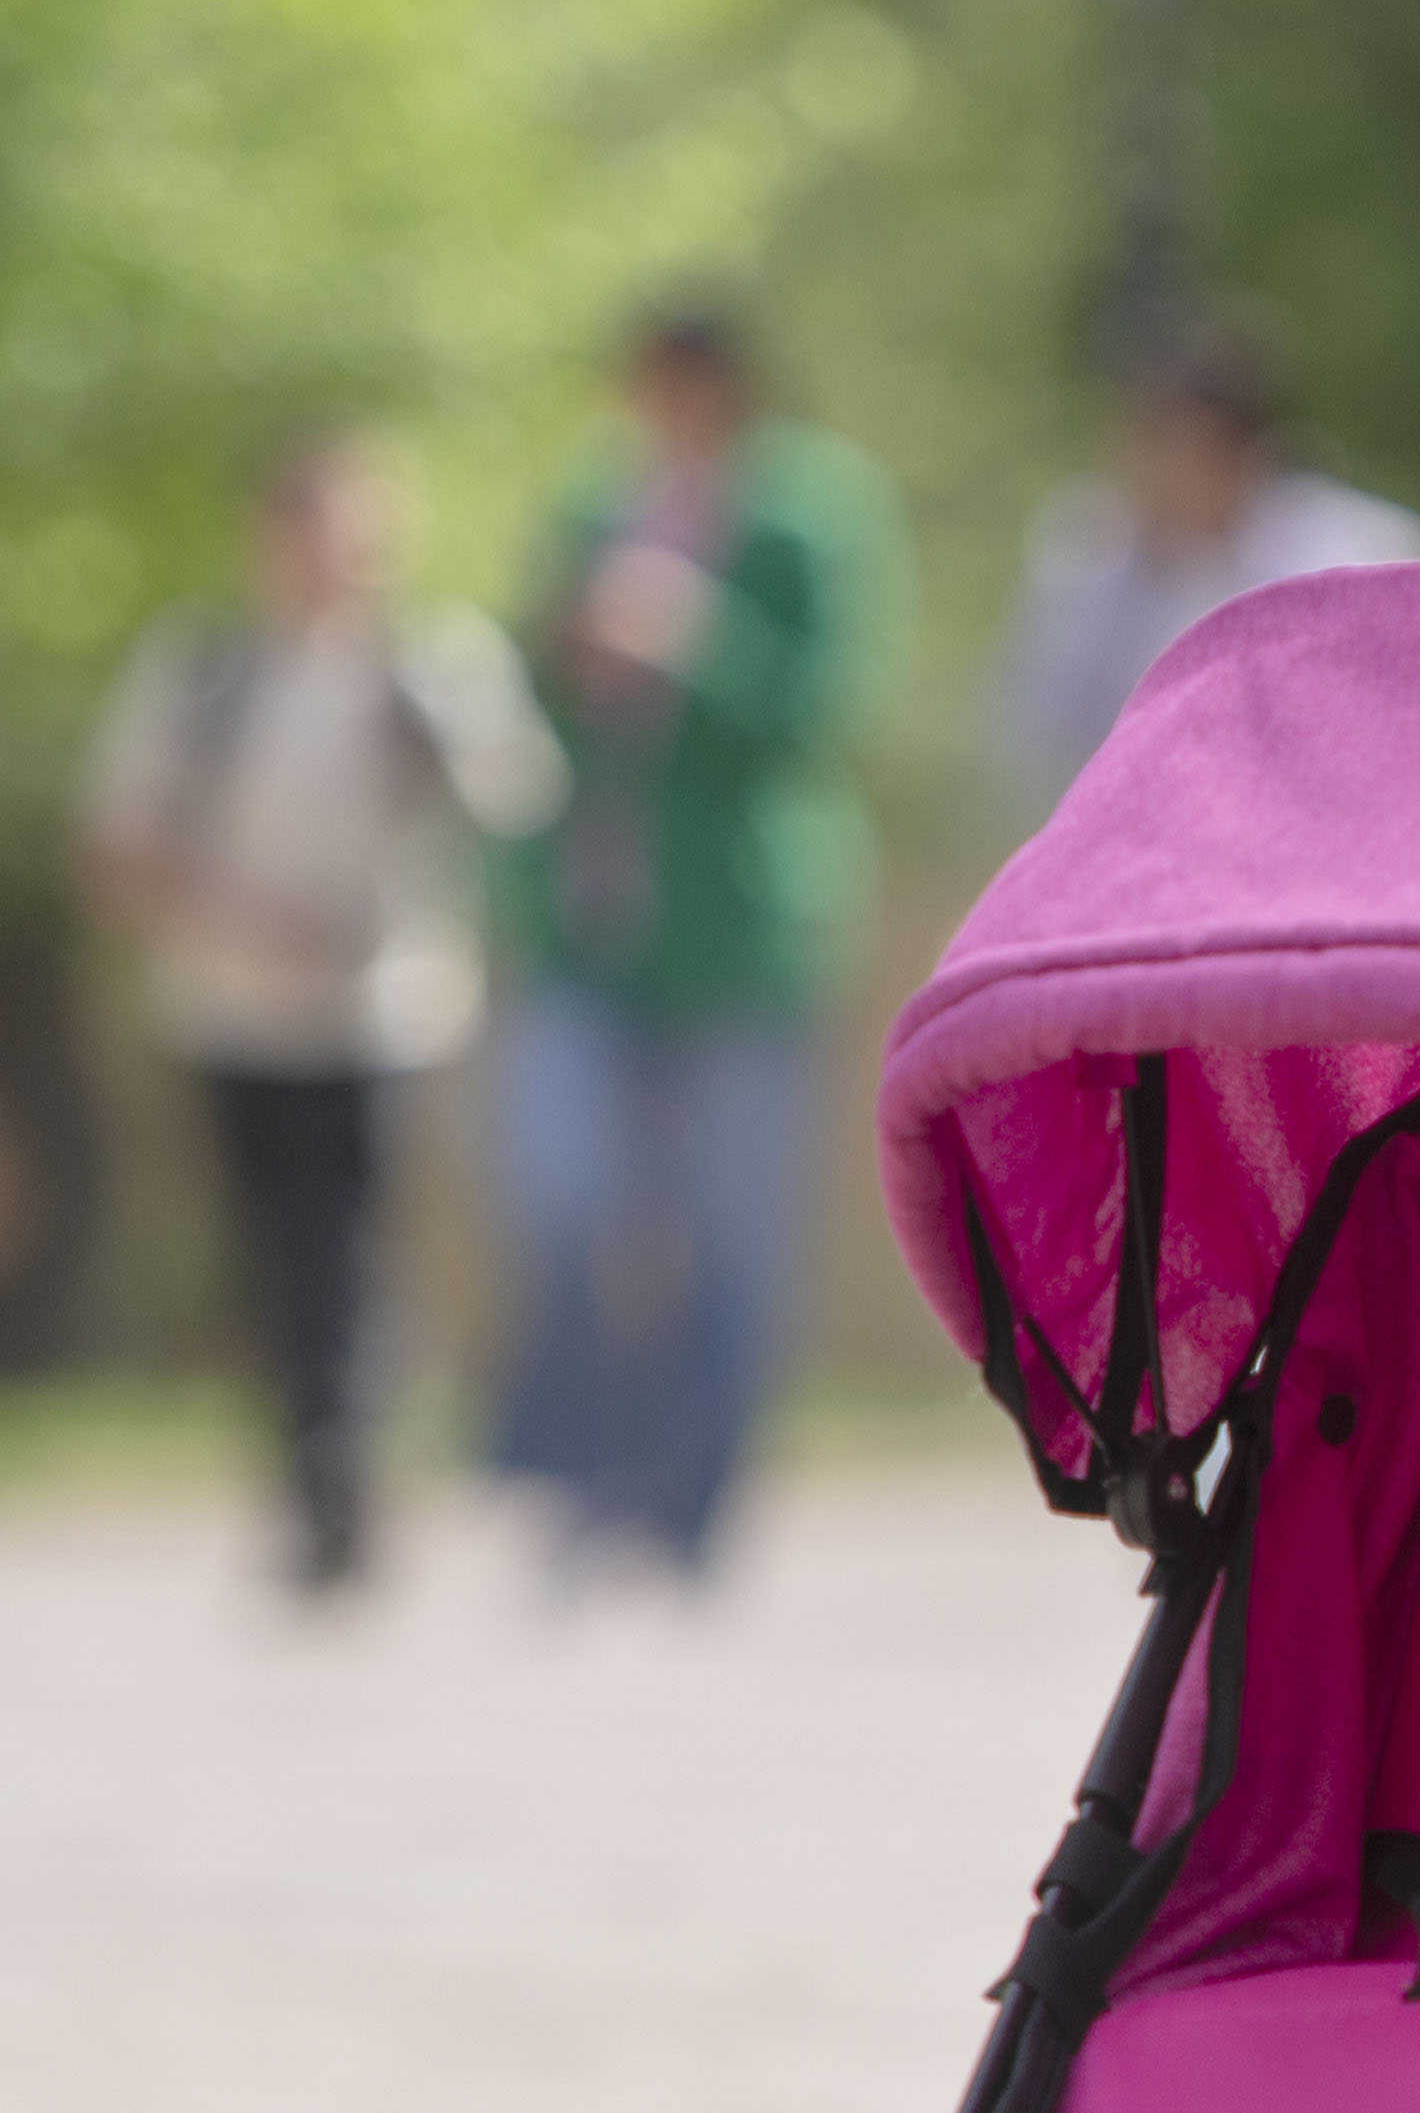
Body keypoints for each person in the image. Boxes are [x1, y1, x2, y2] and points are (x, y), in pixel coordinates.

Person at [74, 428, 563, 1595]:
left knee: (351, 1242)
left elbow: (517, 799)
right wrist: (241, 920)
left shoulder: (435, 663)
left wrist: (444, 735)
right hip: (230, 1009)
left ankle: (346, 1474)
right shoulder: (201, 672)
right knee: (276, 1249)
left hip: (385, 1008)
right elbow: (116, 845)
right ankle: (313, 1467)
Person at [488, 299, 906, 1582]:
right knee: (566, 1192)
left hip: (737, 926)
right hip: (592, 916)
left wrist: (694, 642)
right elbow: (527, 685)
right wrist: (575, 648)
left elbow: (823, 706)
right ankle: (582, 1466)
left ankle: (693, 1498)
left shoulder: (808, 514)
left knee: (731, 1226)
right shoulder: (597, 505)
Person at [978, 302, 1420, 820]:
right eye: (1140, 440)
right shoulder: (1088, 547)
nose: (1152, 472)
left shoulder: (1355, 557)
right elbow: (1029, 734)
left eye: (1179, 449)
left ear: (1246, 455)